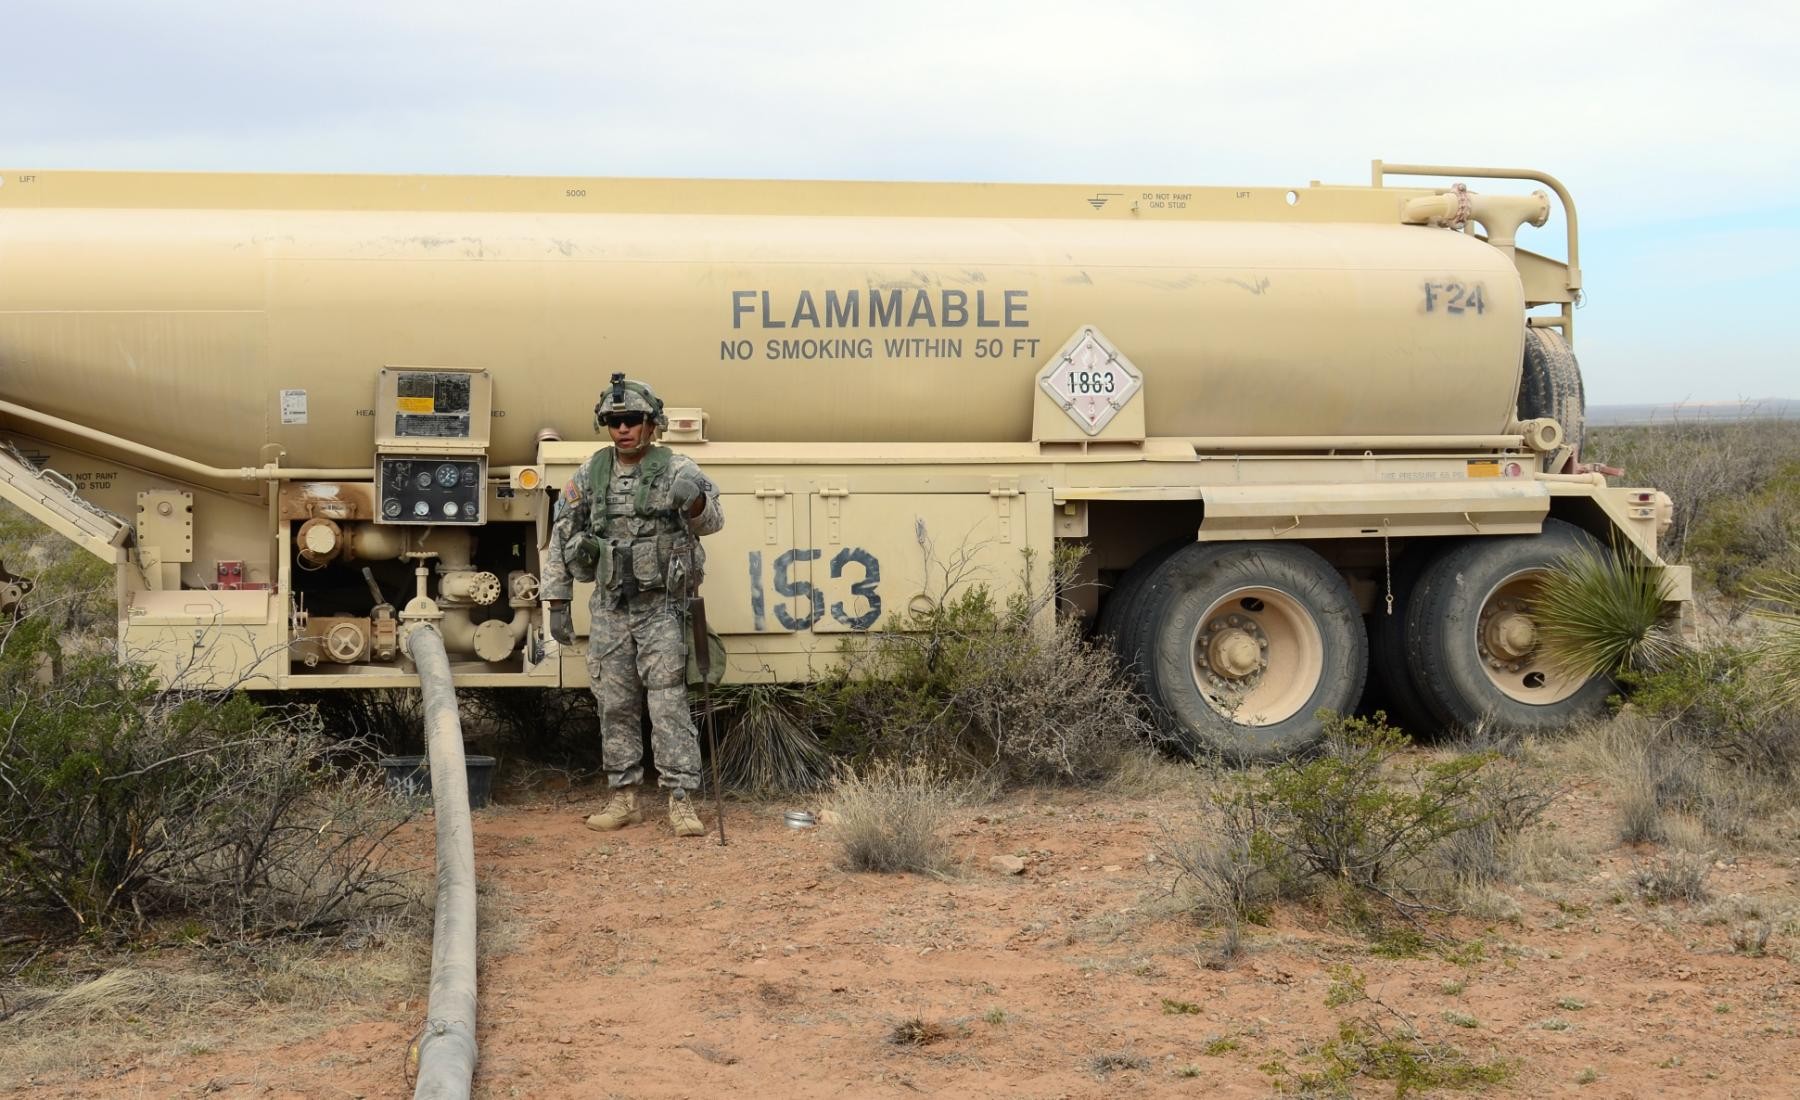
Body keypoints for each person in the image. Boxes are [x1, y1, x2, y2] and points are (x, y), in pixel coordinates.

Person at [542, 373, 723, 837]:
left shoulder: (678, 469)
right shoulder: (592, 472)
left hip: (661, 606)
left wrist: (697, 501)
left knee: (667, 700)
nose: (622, 429)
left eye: (632, 421)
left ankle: (681, 800)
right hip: (610, 605)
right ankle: (624, 797)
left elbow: (713, 522)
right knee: (615, 702)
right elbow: (562, 534)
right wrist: (557, 599)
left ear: (651, 424)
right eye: (614, 421)